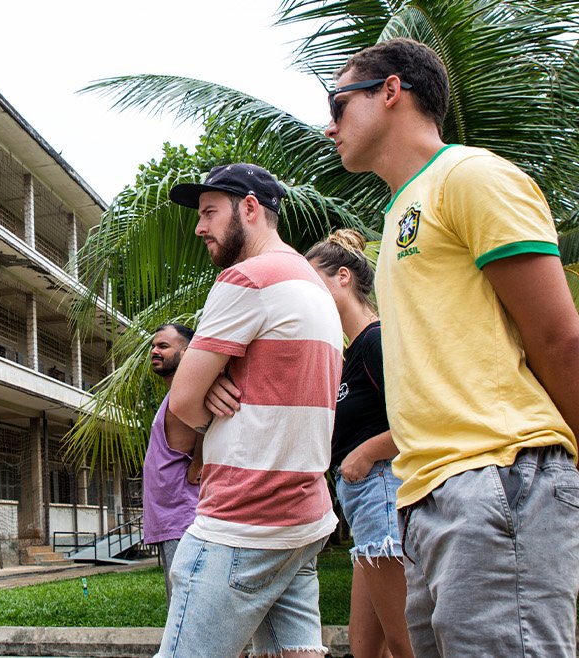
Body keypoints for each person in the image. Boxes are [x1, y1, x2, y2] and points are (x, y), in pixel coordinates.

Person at [322, 38, 579, 657]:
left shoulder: (470, 177)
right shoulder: (401, 210)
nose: (329, 126)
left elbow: (560, 337)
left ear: (391, 91)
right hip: (428, 495)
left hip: (496, 479)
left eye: (338, 102)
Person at [154, 163, 343, 658]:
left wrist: (205, 397)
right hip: (301, 516)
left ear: (251, 209)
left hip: (243, 520)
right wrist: (213, 383)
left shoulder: (249, 278)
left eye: (211, 213)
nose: (200, 227)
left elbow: (181, 409)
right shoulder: (310, 281)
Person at [306, 230, 411, 658]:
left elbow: (420, 419)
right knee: (365, 645)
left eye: (313, 284)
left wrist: (366, 452)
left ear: (343, 277)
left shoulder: (376, 339)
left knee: (405, 640)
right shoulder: (348, 354)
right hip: (364, 506)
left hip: (385, 490)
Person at [141, 322, 202, 600]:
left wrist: (199, 463)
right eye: (154, 346)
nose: (155, 351)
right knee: (179, 606)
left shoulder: (187, 392)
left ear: (187, 352)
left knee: (185, 609)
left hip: (182, 518)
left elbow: (211, 421)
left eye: (163, 346)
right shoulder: (175, 393)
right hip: (171, 518)